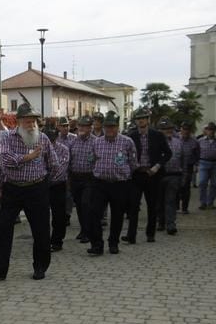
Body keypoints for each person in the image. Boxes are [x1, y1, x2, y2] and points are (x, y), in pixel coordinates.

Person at [0, 101, 61, 281]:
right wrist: (29, 157)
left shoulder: (42, 139)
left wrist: (43, 182)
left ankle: (40, 267)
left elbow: (55, 165)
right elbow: (6, 160)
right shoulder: (6, 138)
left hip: (37, 188)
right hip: (12, 188)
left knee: (41, 230)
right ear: (18, 122)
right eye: (27, 121)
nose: (31, 125)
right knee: (4, 229)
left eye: (34, 121)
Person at [87, 111, 137, 256]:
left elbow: (133, 163)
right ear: (103, 127)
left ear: (117, 127)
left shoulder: (127, 142)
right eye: (107, 127)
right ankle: (97, 245)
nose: (110, 129)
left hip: (119, 184)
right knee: (94, 214)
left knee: (117, 215)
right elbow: (92, 160)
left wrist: (125, 176)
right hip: (100, 183)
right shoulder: (96, 142)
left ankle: (113, 243)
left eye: (113, 127)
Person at [125, 108, 171, 244]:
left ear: (148, 120)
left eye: (143, 118)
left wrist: (156, 167)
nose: (141, 121)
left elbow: (168, 153)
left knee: (152, 205)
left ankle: (150, 234)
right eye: (138, 119)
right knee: (133, 206)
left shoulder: (157, 135)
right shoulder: (131, 136)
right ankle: (131, 235)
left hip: (152, 175)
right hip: (137, 174)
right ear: (136, 121)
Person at [68, 116, 95, 243]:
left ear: (90, 128)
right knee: (78, 206)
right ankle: (83, 230)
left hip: (89, 178)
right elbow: (69, 161)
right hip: (75, 177)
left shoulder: (96, 142)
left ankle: (88, 232)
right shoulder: (73, 142)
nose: (82, 128)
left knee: (86, 204)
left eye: (85, 126)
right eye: (80, 126)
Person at [157, 117, 184, 235]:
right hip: (158, 176)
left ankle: (171, 224)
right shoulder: (155, 142)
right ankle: (160, 221)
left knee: (171, 200)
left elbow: (183, 159)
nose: (167, 131)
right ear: (159, 130)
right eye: (164, 129)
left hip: (174, 175)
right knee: (159, 201)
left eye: (169, 128)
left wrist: (184, 174)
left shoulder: (178, 142)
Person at [47, 118, 71, 252]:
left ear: (56, 137)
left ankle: (57, 241)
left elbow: (60, 169)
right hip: (43, 185)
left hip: (57, 185)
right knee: (42, 215)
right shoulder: (38, 147)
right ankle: (44, 240)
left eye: (52, 138)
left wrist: (46, 175)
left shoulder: (63, 150)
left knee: (58, 216)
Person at [197, 121, 216, 209]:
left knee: (214, 184)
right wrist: (195, 163)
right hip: (203, 163)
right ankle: (203, 202)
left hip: (215, 164)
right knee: (202, 182)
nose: (211, 131)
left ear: (215, 130)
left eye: (213, 129)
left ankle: (211, 202)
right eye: (209, 129)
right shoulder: (200, 141)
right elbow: (196, 152)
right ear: (206, 131)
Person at [178, 121, 200, 214]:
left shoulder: (194, 141)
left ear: (190, 131)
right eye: (184, 129)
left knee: (186, 187)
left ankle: (184, 208)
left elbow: (197, 154)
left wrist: (196, 164)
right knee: (176, 187)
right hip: (176, 167)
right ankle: (175, 206)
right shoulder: (176, 139)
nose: (185, 131)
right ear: (181, 129)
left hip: (188, 166)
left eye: (187, 129)